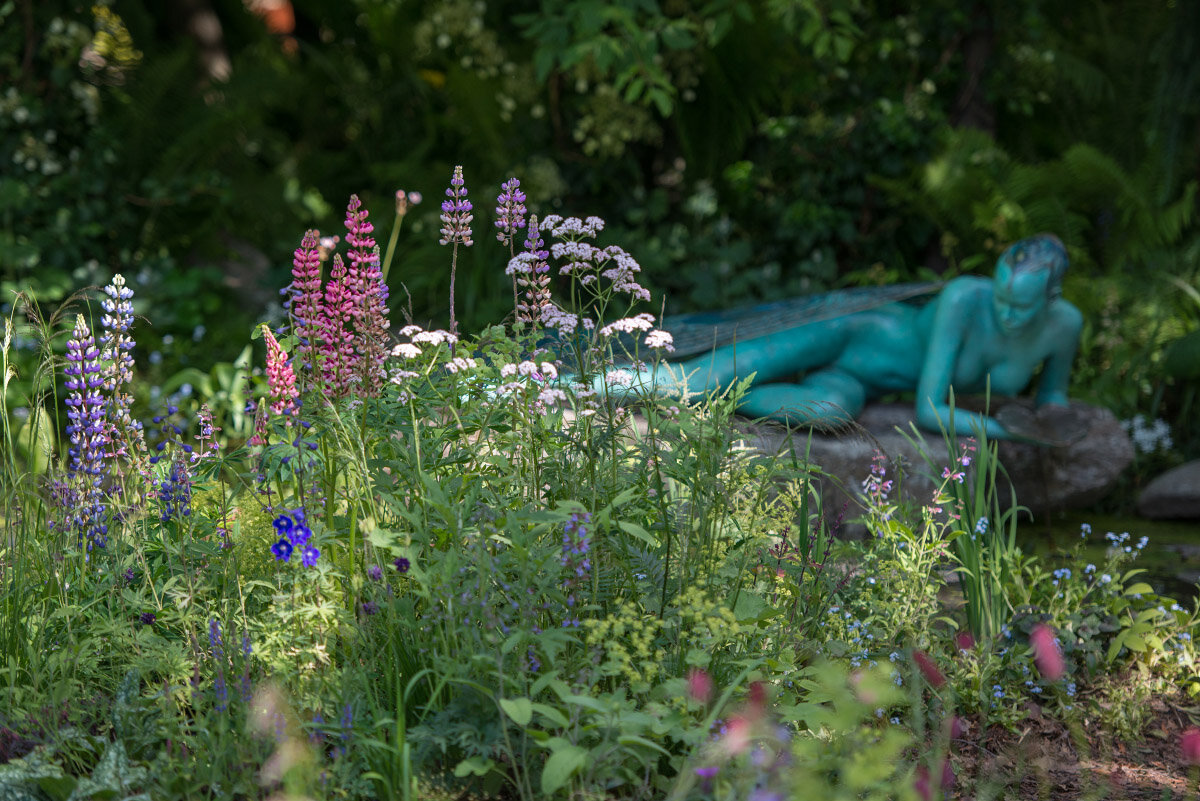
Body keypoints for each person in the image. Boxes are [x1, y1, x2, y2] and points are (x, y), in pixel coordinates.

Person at [605, 233, 1083, 441]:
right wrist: (1004, 432)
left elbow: (1053, 396)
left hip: (862, 384)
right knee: (688, 380)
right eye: (1002, 298)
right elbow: (929, 408)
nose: (1007, 313)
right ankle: (564, 384)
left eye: (1020, 307)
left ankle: (726, 398)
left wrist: (1052, 421)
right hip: (848, 332)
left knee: (828, 416)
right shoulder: (964, 298)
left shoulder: (1066, 326)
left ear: (1051, 297)